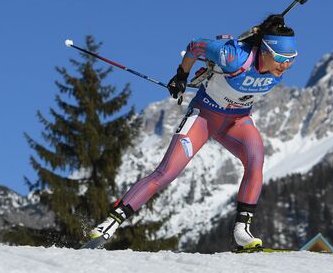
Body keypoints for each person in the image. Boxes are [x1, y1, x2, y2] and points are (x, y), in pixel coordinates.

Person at [87, 14, 298, 250]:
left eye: (292, 59)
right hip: (204, 117)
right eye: (281, 58)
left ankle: (242, 231)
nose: (285, 65)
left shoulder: (276, 67)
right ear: (265, 51)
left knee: (256, 159)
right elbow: (196, 45)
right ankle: (110, 222)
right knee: (167, 172)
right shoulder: (233, 57)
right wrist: (181, 75)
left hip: (238, 121)